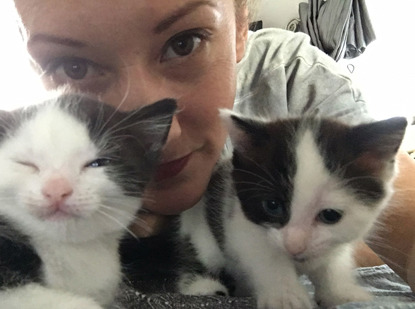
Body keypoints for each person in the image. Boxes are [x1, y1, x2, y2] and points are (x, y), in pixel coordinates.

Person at [12, 0, 415, 293]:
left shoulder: (287, 75)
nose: (162, 137)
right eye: (73, 66)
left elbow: (391, 179)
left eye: (184, 43)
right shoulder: (23, 151)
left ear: (241, 27)